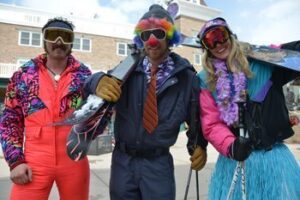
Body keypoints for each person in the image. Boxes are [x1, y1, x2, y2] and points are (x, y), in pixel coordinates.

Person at [84, 4, 207, 200]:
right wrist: (96, 81)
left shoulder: (186, 77)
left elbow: (196, 117)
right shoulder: (127, 68)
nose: (151, 41)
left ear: (169, 36)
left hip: (158, 166)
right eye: (145, 35)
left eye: (158, 33)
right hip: (123, 164)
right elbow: (91, 90)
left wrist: (199, 144)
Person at [197, 17, 300, 199]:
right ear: (205, 48)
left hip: (274, 160)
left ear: (230, 35)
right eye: (210, 42)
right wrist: (231, 145)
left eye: (221, 36)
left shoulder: (264, 61)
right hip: (235, 160)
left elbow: (293, 56)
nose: (219, 44)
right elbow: (211, 124)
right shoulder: (206, 80)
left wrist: (268, 51)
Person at [0, 17, 91, 200]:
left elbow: (95, 117)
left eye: (65, 36)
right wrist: (15, 160)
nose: (58, 41)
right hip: (35, 161)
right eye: (52, 35)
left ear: (72, 42)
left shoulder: (85, 76)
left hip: (74, 158)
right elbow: (10, 119)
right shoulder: (24, 75)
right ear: (44, 40)